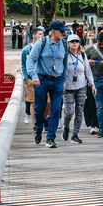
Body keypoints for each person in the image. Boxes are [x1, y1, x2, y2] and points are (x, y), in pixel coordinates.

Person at [26, 20, 69, 148]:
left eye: (64, 31)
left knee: (56, 110)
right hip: (42, 80)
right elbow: (30, 61)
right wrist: (34, 76)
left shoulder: (64, 44)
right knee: (39, 108)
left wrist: (64, 80)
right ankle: (38, 129)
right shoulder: (42, 42)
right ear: (53, 31)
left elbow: (65, 64)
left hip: (58, 80)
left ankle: (50, 138)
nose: (63, 33)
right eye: (61, 31)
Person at [63, 34, 94, 144]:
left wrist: (92, 84)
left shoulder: (83, 56)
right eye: (72, 41)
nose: (74, 43)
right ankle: (66, 126)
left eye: (76, 41)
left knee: (79, 112)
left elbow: (87, 71)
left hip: (81, 86)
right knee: (69, 112)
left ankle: (75, 134)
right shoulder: (64, 56)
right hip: (68, 87)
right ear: (68, 43)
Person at [21, 26, 44, 124]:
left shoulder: (44, 47)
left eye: (43, 34)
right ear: (34, 36)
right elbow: (23, 64)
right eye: (40, 34)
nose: (42, 36)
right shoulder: (26, 50)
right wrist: (26, 78)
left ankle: (44, 121)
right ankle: (35, 125)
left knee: (46, 102)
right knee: (32, 102)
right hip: (31, 79)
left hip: (43, 78)